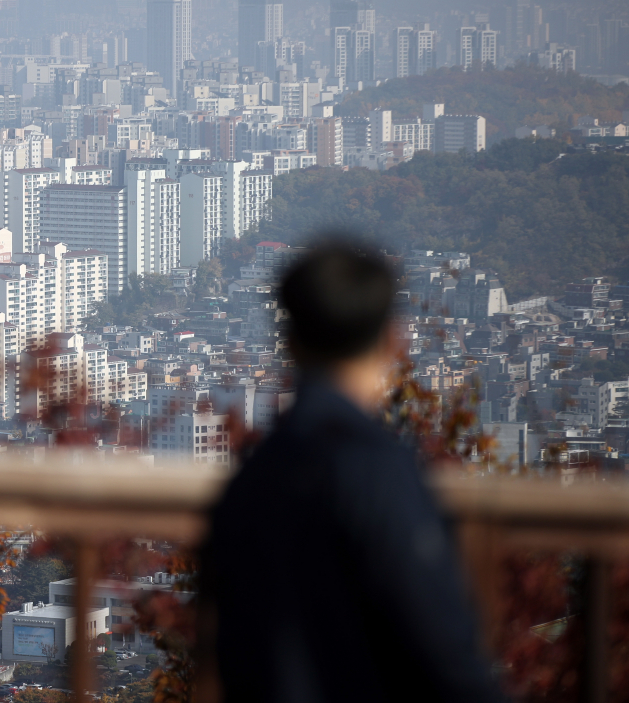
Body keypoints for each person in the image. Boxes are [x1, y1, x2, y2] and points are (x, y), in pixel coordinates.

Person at [209, 241, 503, 703]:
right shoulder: (377, 472)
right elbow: (443, 647)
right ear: (393, 340)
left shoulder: (251, 480)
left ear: (289, 342)